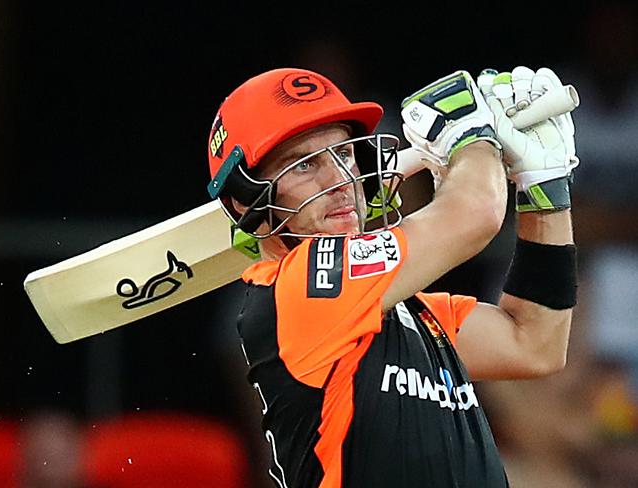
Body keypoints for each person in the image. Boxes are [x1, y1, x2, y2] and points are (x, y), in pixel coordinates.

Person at [207, 67, 578, 487]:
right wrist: (468, 136)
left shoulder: (409, 311)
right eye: (305, 165)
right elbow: (475, 214)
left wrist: (545, 189)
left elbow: (534, 344)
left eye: (344, 155)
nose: (340, 181)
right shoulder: (297, 291)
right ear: (247, 201)